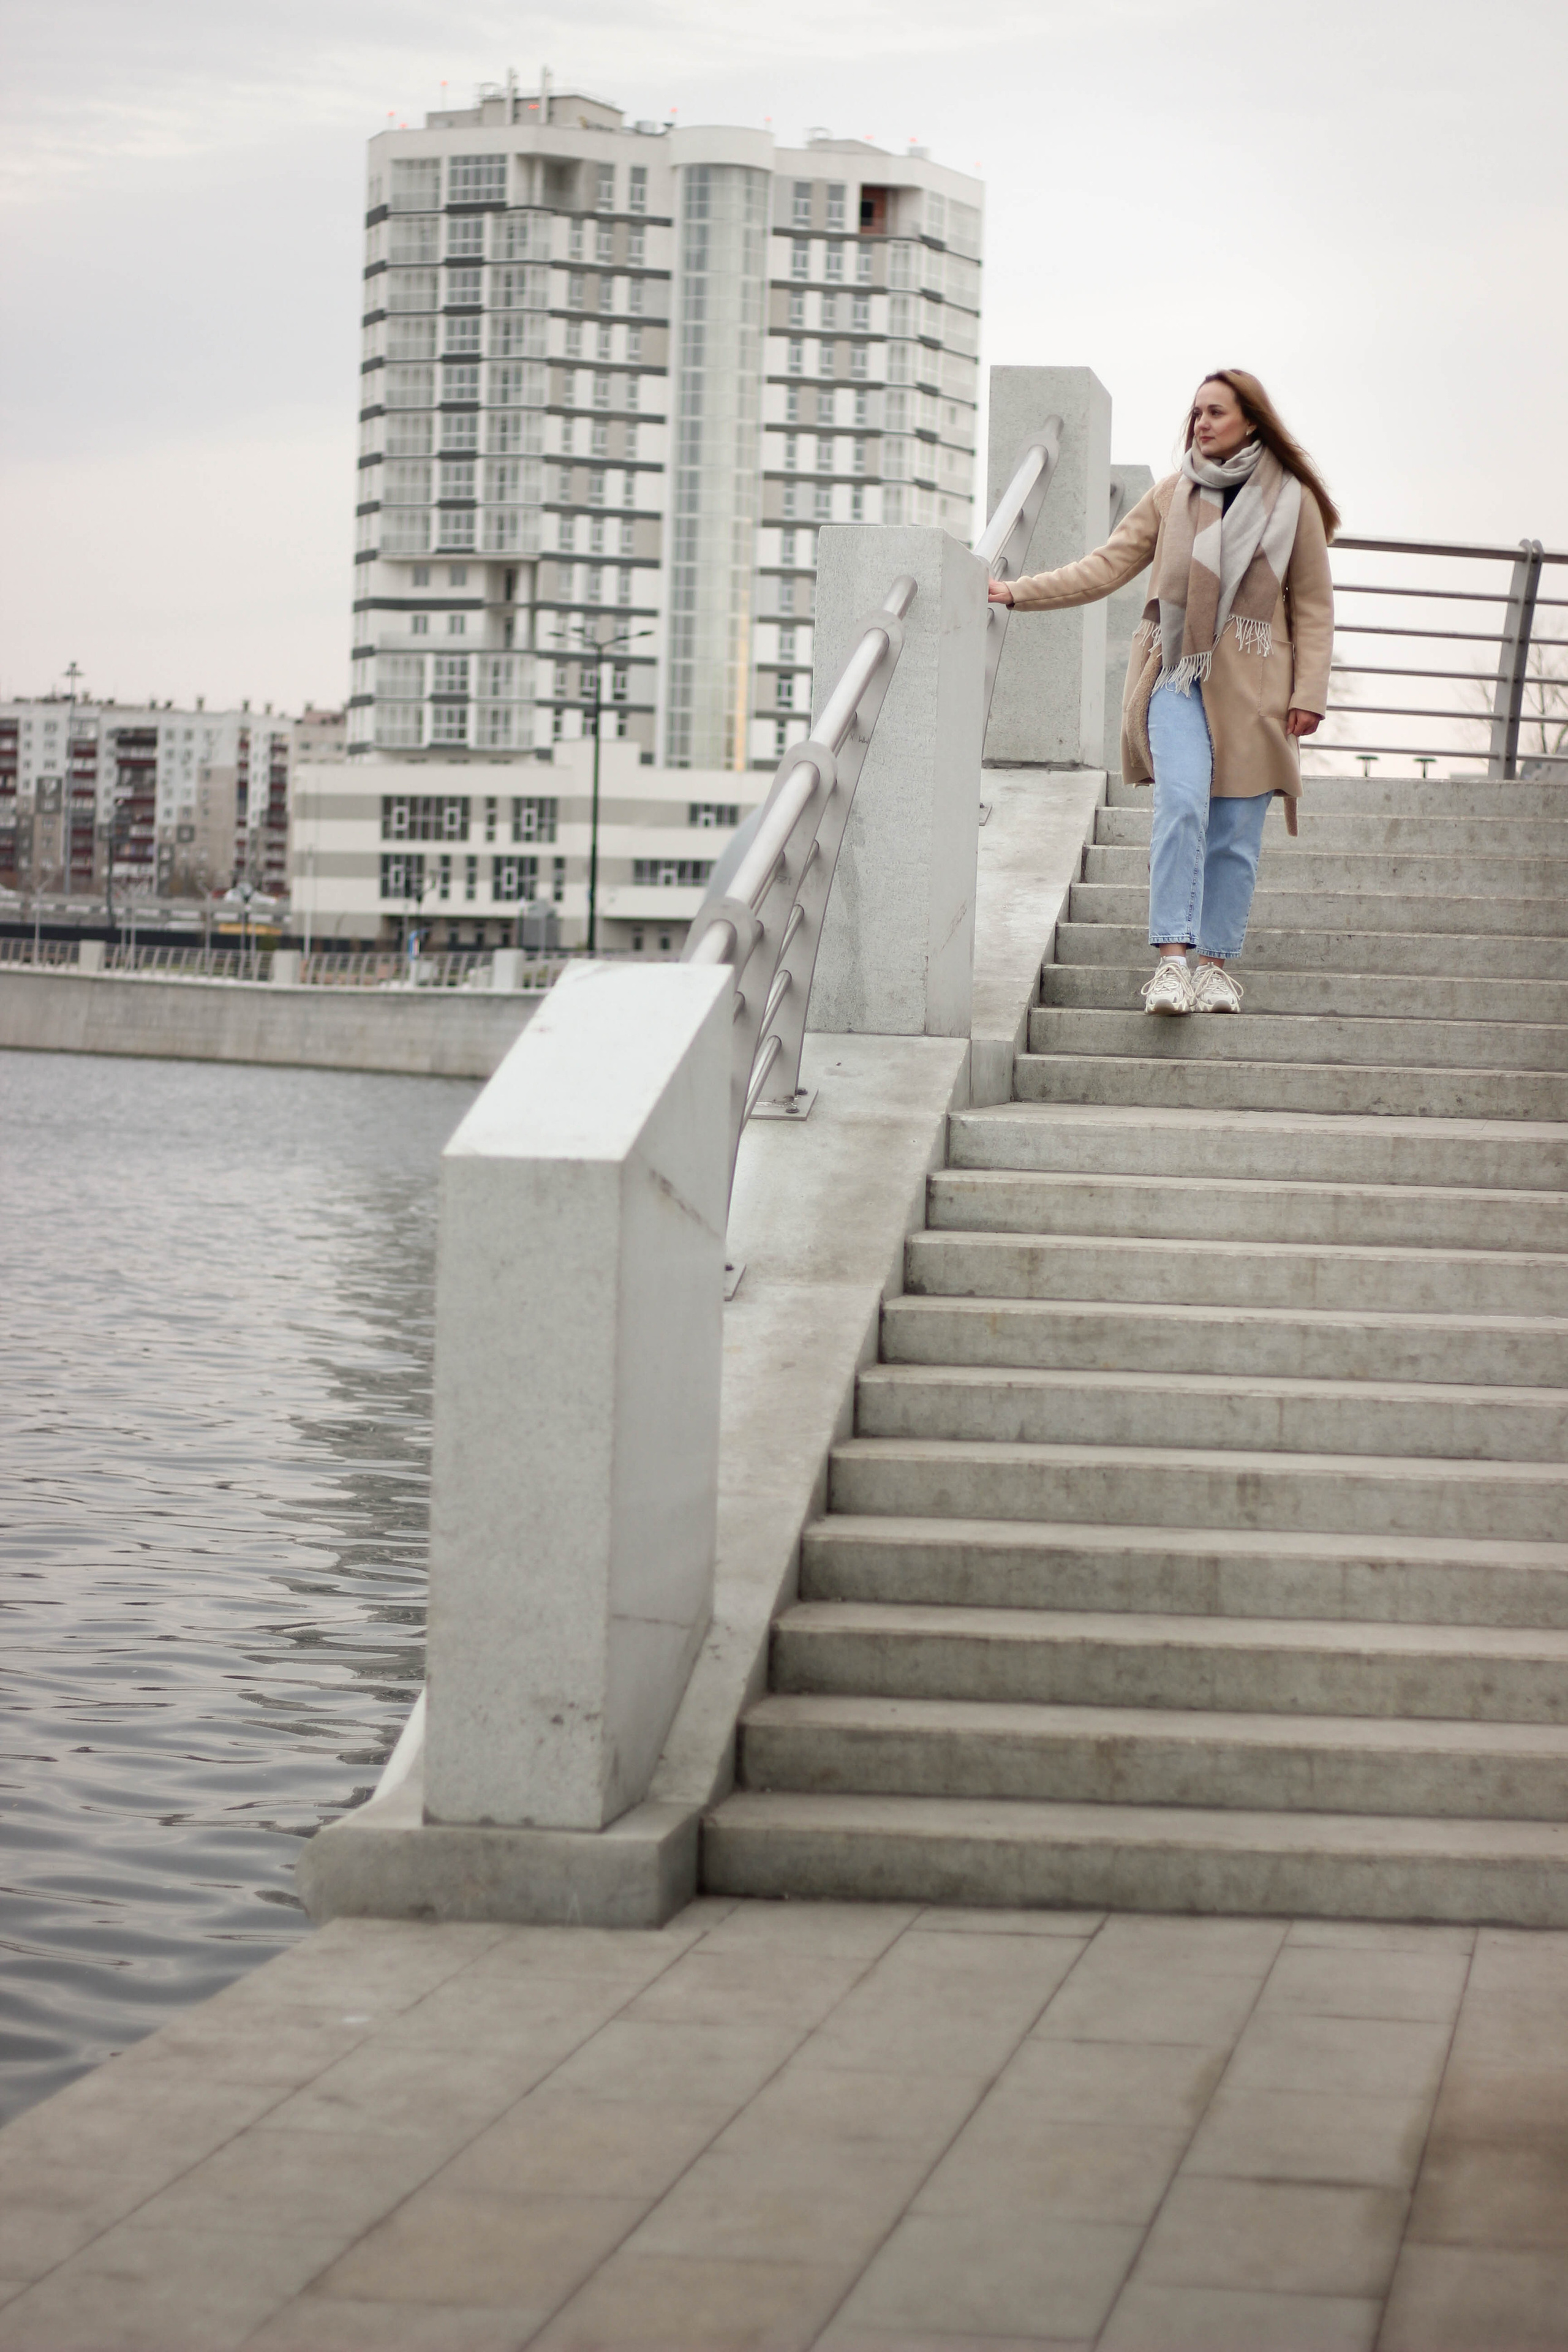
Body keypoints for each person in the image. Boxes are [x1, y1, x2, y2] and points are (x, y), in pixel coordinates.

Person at [990, 369, 1337, 1013]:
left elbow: (1314, 605)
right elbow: (1106, 565)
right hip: (1174, 675)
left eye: (1215, 413)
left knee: (1234, 832)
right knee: (1181, 804)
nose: (1201, 423)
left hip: (1258, 688)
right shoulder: (1171, 495)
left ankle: (1213, 968)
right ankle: (1172, 963)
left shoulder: (1295, 504)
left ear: (1251, 422)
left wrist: (1309, 691)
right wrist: (1018, 590)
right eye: (1196, 412)